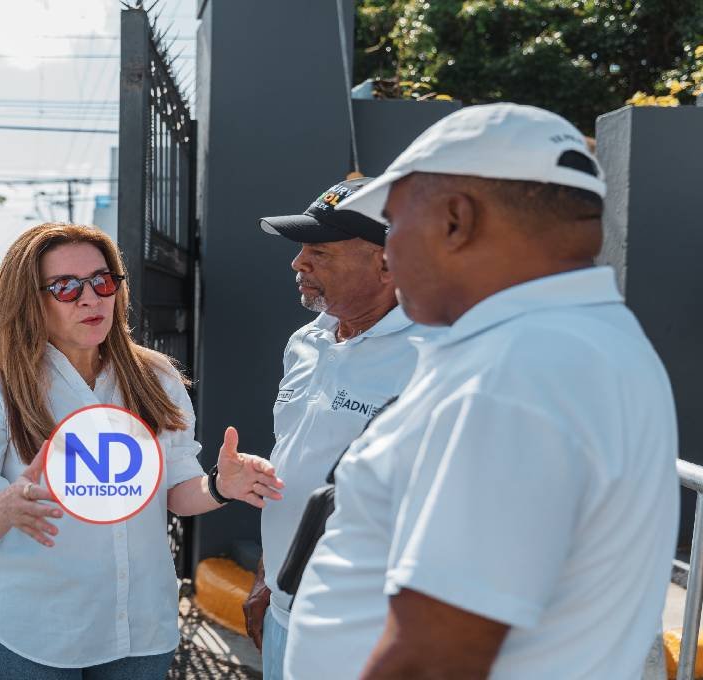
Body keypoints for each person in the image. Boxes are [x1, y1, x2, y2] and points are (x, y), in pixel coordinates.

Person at [284, 103, 677, 679]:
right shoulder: (580, 344)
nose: (390, 254)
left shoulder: (516, 372)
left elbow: (436, 657)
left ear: (454, 220)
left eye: (394, 225)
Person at [0, 222, 285, 679]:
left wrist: (220, 486)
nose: (91, 298)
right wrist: (2, 509)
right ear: (29, 298)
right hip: (27, 635)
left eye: (102, 281)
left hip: (138, 630)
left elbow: (175, 492)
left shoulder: (156, 378)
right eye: (65, 286)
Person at [244, 177, 435, 680]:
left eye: (319, 252)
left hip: (367, 631)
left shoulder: (436, 356)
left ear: (388, 262)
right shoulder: (306, 341)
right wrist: (270, 576)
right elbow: (297, 466)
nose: (298, 263)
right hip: (286, 611)